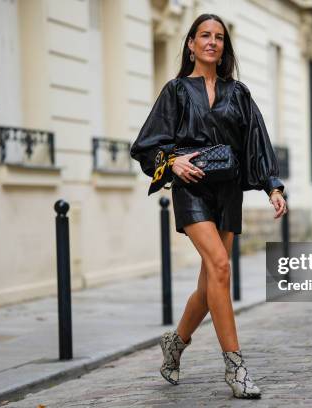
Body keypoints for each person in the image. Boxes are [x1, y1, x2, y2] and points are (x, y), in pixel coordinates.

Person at [130, 13, 287, 399]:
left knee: (210, 282)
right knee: (220, 266)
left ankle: (176, 343)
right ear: (191, 44)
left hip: (228, 190)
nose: (212, 42)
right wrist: (173, 162)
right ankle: (235, 367)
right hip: (192, 188)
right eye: (204, 35)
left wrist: (272, 186)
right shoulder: (177, 91)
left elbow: (257, 140)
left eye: (219, 37)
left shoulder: (239, 93)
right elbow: (146, 144)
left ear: (223, 47)